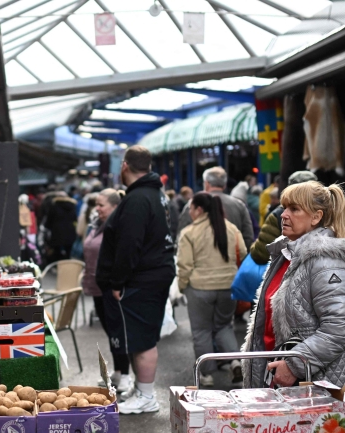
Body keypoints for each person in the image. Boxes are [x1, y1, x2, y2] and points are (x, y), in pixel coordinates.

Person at [240, 181, 345, 395]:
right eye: (284, 207)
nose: (283, 214)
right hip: (281, 379)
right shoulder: (286, 254)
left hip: (315, 386)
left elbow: (338, 329)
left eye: (294, 209)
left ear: (316, 217)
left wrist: (293, 365)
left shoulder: (326, 263)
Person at [96, 145, 176, 414]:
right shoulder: (155, 194)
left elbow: (129, 244)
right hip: (151, 274)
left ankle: (147, 396)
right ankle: (141, 390)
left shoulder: (138, 199)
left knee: (141, 339)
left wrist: (117, 282)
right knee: (136, 336)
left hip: (141, 279)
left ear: (125, 166)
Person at [177, 192, 246, 386]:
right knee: (224, 326)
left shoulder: (189, 233)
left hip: (200, 288)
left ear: (199, 210)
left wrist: (182, 287)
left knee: (201, 331)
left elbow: (184, 265)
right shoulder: (231, 228)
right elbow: (243, 251)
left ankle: (206, 375)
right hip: (228, 287)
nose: (190, 212)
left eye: (191, 208)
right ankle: (234, 362)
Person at [232, 171, 317, 304]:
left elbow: (260, 254)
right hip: (321, 283)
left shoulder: (279, 214)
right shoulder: (330, 214)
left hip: (285, 288)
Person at [82, 189, 134, 394]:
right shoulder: (96, 225)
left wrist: (117, 283)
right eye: (96, 204)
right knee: (110, 331)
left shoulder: (118, 227)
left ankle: (127, 375)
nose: (97, 208)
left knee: (118, 332)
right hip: (96, 286)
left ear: (114, 206)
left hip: (111, 287)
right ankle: (119, 371)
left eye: (101, 204)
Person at [177, 167, 253, 250]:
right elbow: (248, 237)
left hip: (200, 259)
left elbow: (181, 235)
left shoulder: (193, 204)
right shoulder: (239, 205)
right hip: (233, 259)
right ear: (224, 185)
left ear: (206, 183)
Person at [38, 193, 78, 263]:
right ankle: (68, 267)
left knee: (57, 252)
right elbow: (75, 218)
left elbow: (49, 221)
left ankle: (59, 268)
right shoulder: (72, 206)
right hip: (70, 232)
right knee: (68, 252)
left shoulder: (54, 206)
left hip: (57, 233)